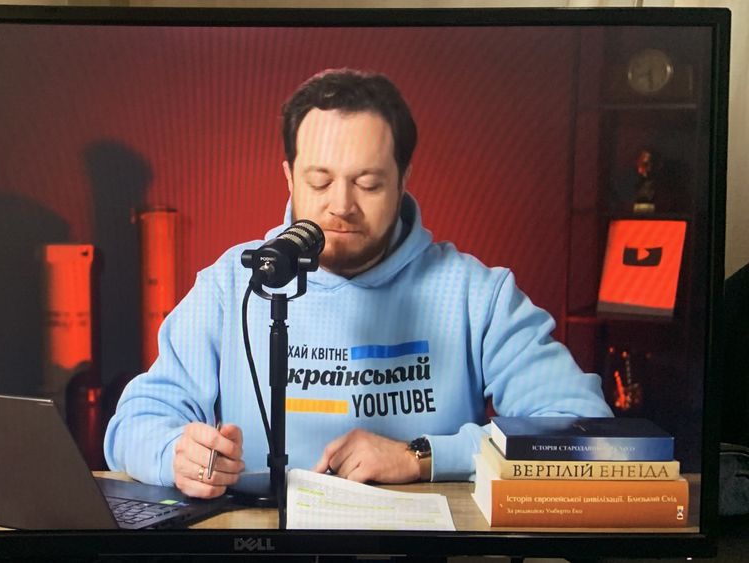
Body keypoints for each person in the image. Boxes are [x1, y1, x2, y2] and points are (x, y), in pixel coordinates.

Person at [104, 68, 612, 499]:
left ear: (403, 178)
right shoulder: (230, 285)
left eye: (368, 184)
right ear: (289, 177)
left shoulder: (476, 295)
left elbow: (584, 429)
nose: (341, 206)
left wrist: (422, 456)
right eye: (320, 181)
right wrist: (176, 454)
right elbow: (133, 424)